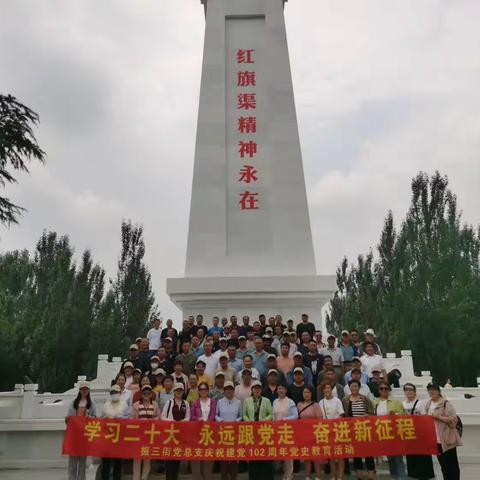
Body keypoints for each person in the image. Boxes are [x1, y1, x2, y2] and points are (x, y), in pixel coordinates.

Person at [425, 383, 462, 480]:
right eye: (429, 390)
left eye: (433, 389)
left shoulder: (446, 404)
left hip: (447, 439)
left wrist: (439, 417)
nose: (431, 392)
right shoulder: (428, 404)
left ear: (438, 391)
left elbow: (454, 420)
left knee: (452, 465)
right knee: (443, 465)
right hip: (436, 440)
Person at [342, 380, 375, 480]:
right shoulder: (345, 400)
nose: (354, 388)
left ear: (359, 387)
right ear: (349, 388)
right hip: (353, 431)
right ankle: (359, 476)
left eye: (356, 386)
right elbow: (344, 415)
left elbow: (373, 414)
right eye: (352, 386)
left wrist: (368, 415)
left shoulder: (365, 399)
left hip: (365, 430)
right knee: (356, 454)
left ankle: (371, 476)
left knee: (369, 454)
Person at [373, 382, 406, 479]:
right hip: (382, 432)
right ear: (378, 390)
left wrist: (394, 414)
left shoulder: (396, 402)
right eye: (381, 388)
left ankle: (401, 477)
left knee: (398, 457)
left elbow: (402, 416)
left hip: (394, 432)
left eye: (386, 389)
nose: (383, 390)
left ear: (389, 390)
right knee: (390, 457)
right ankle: (394, 476)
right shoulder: (375, 402)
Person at [402, 383, 434, 480]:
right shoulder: (403, 404)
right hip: (409, 435)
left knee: (423, 459)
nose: (408, 392)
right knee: (412, 459)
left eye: (410, 389)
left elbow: (425, 418)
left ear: (415, 391)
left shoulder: (420, 403)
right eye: (406, 389)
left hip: (420, 435)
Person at [243, 381, 273, 480]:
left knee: (264, 454)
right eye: (255, 388)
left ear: (261, 390)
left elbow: (270, 414)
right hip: (251, 431)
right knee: (253, 454)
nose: (257, 390)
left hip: (264, 431)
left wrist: (263, 421)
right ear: (252, 390)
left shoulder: (266, 400)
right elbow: (244, 415)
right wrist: (250, 422)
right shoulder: (247, 401)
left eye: (258, 388)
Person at [66, 382, 97, 480]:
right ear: (79, 391)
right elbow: (68, 417)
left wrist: (89, 418)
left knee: (83, 460)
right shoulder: (74, 402)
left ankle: (81, 478)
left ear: (88, 391)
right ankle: (72, 477)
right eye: (82, 389)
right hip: (74, 434)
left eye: (86, 389)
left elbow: (95, 418)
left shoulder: (91, 403)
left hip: (85, 434)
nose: (84, 391)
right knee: (73, 459)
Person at [161, 383, 191, 480]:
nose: (179, 392)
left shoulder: (185, 403)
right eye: (177, 390)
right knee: (169, 460)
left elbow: (188, 417)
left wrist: (183, 421)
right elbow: (163, 417)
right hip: (170, 434)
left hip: (181, 435)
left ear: (183, 392)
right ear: (174, 391)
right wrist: (172, 422)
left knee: (177, 458)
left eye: (181, 390)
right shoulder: (169, 402)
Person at [131, 385, 160, 480]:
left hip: (150, 436)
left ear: (151, 394)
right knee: (137, 459)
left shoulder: (155, 404)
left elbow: (159, 417)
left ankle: (144, 478)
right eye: (144, 393)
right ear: (141, 394)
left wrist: (153, 420)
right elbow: (132, 419)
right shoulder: (136, 404)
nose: (146, 394)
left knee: (147, 459)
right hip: (138, 435)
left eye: (148, 393)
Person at [101, 385, 128, 480]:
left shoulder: (124, 404)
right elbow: (101, 419)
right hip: (107, 437)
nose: (114, 394)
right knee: (106, 462)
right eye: (112, 392)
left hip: (119, 436)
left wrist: (120, 418)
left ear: (120, 393)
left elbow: (128, 418)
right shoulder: (106, 405)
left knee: (118, 462)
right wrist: (106, 419)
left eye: (116, 392)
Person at [216, 381, 242, 480]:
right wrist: (220, 420)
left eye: (231, 389)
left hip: (235, 434)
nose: (229, 391)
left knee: (234, 458)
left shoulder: (238, 402)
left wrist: (236, 421)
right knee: (224, 458)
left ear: (233, 390)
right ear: (224, 391)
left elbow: (241, 416)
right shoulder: (220, 402)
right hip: (223, 433)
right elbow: (216, 415)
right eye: (227, 389)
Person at [319, 382, 345, 480]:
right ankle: (333, 476)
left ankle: (340, 476)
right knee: (332, 455)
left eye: (328, 388)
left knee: (340, 455)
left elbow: (341, 414)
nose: (326, 390)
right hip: (326, 432)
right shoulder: (321, 402)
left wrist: (334, 422)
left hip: (337, 431)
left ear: (332, 389)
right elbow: (320, 417)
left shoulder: (337, 400)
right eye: (325, 388)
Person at [297, 386, 323, 480]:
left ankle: (318, 476)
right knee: (306, 456)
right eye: (305, 392)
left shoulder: (315, 405)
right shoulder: (299, 405)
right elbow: (297, 419)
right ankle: (307, 476)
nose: (306, 394)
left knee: (316, 456)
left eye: (308, 392)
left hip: (315, 434)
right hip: (304, 434)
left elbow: (320, 419)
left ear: (311, 394)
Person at [273, 384, 298, 480]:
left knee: (288, 454)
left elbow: (295, 415)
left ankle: (289, 475)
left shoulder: (290, 401)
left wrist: (284, 419)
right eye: (279, 388)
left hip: (287, 430)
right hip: (277, 430)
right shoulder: (275, 401)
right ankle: (284, 473)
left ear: (286, 390)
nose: (281, 390)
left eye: (283, 389)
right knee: (281, 452)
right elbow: (273, 415)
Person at [191, 382, 216, 479]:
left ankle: (207, 477)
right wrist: (198, 419)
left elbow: (213, 414)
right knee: (196, 457)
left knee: (208, 457)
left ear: (208, 390)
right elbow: (192, 416)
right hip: (197, 433)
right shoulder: (195, 402)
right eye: (201, 389)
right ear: (199, 391)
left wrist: (207, 424)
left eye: (205, 389)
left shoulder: (212, 401)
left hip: (209, 433)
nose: (203, 391)